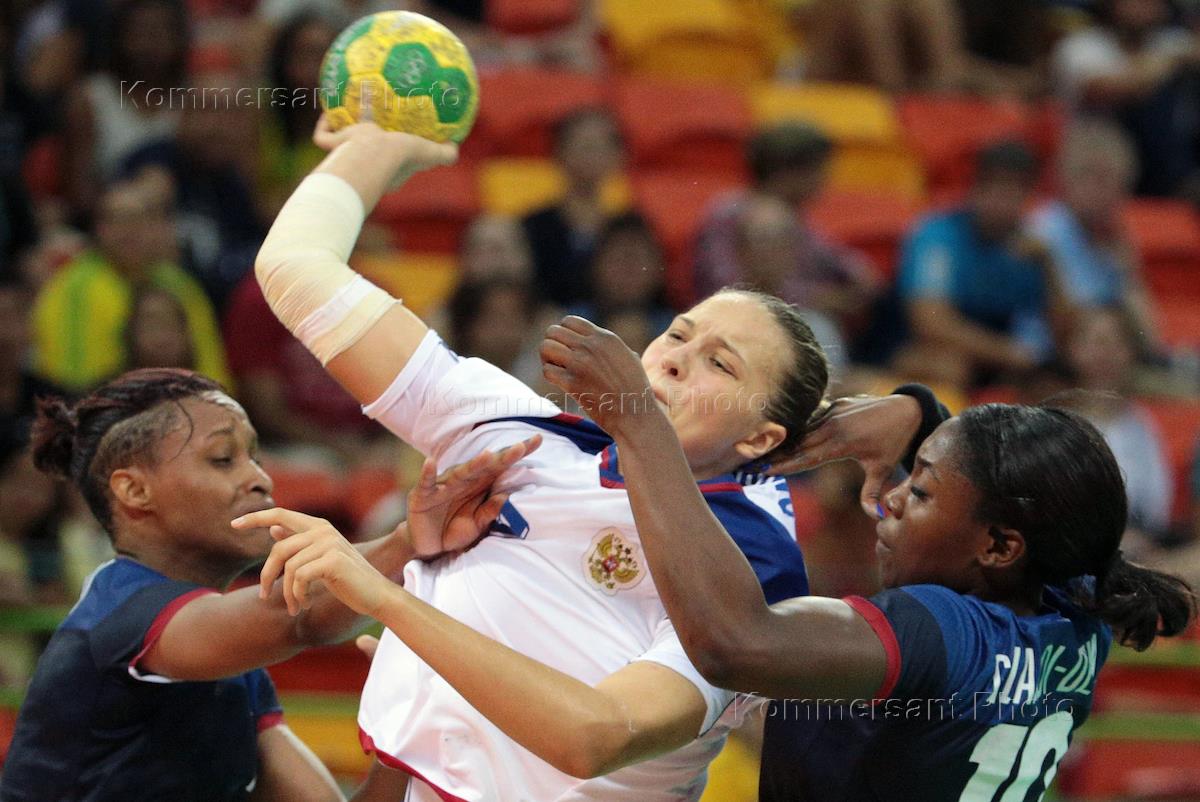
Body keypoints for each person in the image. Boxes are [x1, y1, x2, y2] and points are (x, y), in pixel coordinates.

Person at [248, 115, 846, 800]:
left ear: (761, 439)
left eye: (721, 364)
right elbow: (295, 267)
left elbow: (597, 737)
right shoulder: (524, 436)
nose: (677, 360)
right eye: (679, 335)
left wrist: (385, 599)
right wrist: (376, 149)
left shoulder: (751, 555)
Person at [517, 316, 1192, 801]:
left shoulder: (939, 628)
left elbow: (733, 642)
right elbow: (1033, 496)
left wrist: (641, 424)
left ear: (997, 546)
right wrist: (917, 414)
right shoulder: (1078, 603)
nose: (891, 498)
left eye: (921, 490)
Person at [0, 365, 537, 801]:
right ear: (134, 491)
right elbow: (298, 617)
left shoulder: (238, 669)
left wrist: (408, 725)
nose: (259, 477)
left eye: (255, 457)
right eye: (222, 459)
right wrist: (407, 542)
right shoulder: (118, 613)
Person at [894, 140, 1069, 388]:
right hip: (917, 349)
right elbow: (930, 321)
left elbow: (1067, 336)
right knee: (950, 366)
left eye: (1013, 194)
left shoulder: (1032, 249)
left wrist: (1049, 267)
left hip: (1001, 361)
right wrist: (1008, 354)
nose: (1002, 204)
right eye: (996, 191)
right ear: (975, 190)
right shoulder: (937, 236)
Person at [693, 124, 882, 333]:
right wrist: (813, 297)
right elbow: (725, 287)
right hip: (737, 323)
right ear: (788, 173)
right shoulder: (731, 214)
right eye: (818, 170)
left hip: (790, 315)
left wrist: (859, 276)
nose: (824, 180)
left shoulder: (797, 218)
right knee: (814, 328)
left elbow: (837, 262)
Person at [1028, 121, 1162, 353]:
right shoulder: (1041, 232)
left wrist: (1129, 276)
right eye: (1090, 177)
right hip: (1046, 356)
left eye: (1111, 180)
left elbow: (1149, 338)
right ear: (1065, 179)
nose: (1101, 191)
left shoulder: (1114, 241)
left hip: (1102, 357)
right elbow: (1066, 323)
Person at [1052, 0, 1200, 197]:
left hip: (1164, 159)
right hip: (1095, 151)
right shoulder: (1081, 46)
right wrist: (1170, 61)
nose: (1143, 8)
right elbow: (1107, 90)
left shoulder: (1172, 41)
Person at [1063, 307, 1174, 548]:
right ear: (1073, 349)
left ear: (1132, 352)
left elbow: (1158, 507)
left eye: (1117, 343)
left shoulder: (1143, 422)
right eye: (1097, 342)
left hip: (1142, 542)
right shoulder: (1060, 424)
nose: (1106, 354)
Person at [521, 107, 626, 309]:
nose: (591, 156)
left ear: (618, 156)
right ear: (559, 152)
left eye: (600, 147)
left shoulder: (628, 229)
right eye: (584, 146)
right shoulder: (532, 227)